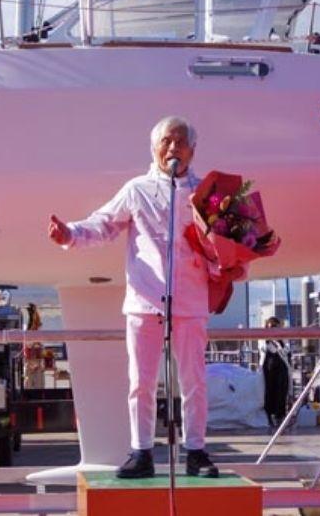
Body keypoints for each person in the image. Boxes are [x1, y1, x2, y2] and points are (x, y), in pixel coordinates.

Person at [47, 115, 218, 479]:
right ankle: (141, 451)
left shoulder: (208, 193)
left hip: (189, 300)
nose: (174, 148)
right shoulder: (137, 190)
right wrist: (70, 234)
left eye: (181, 142)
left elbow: (225, 246)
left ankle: (196, 450)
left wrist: (234, 264)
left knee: (193, 380)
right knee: (140, 381)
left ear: (193, 149)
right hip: (145, 299)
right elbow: (104, 223)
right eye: (167, 141)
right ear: (154, 147)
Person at [260, 317, 291, 429]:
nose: (273, 329)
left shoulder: (283, 339)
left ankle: (280, 416)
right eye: (271, 327)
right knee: (269, 391)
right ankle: (269, 416)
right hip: (268, 366)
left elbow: (286, 350)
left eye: (275, 327)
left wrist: (280, 342)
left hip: (281, 366)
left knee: (281, 391)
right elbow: (265, 349)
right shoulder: (264, 338)